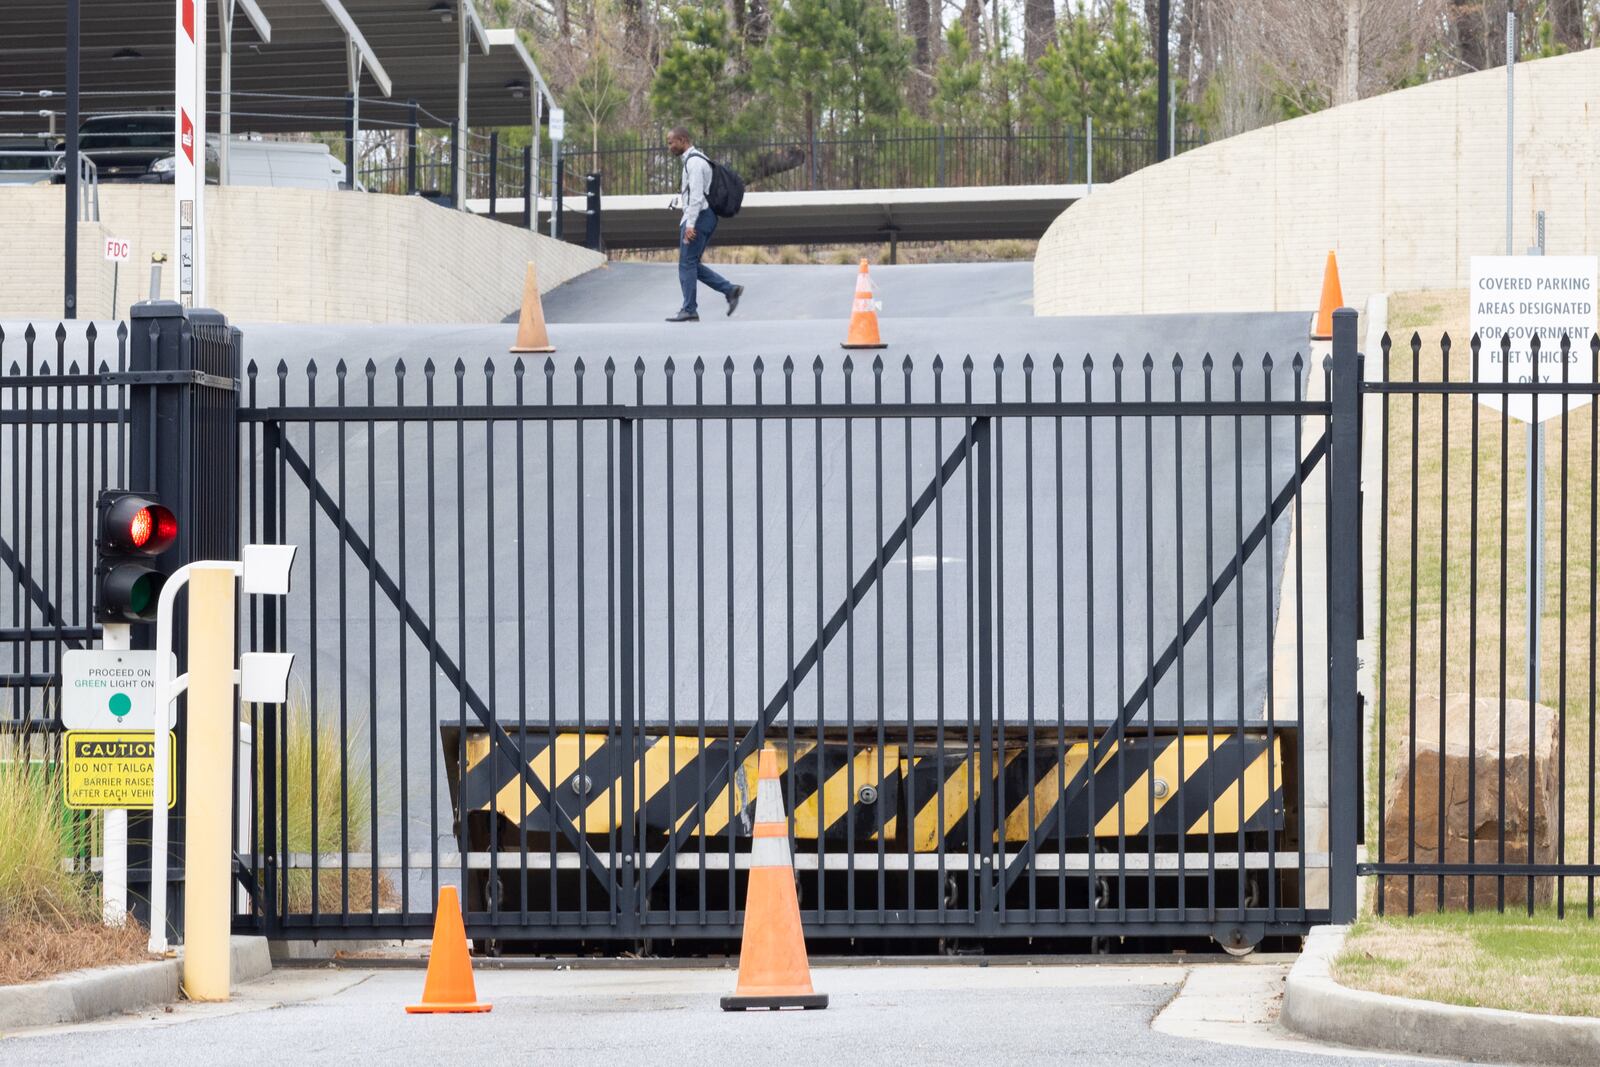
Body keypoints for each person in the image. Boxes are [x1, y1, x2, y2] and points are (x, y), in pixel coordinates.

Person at [665, 126, 743, 322]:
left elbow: (697, 196)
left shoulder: (695, 163)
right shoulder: (694, 161)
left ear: (683, 140)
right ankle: (729, 290)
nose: (669, 147)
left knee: (687, 263)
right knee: (691, 263)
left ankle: (689, 309)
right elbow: (692, 192)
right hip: (703, 216)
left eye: (671, 142)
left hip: (699, 217)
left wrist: (690, 225)